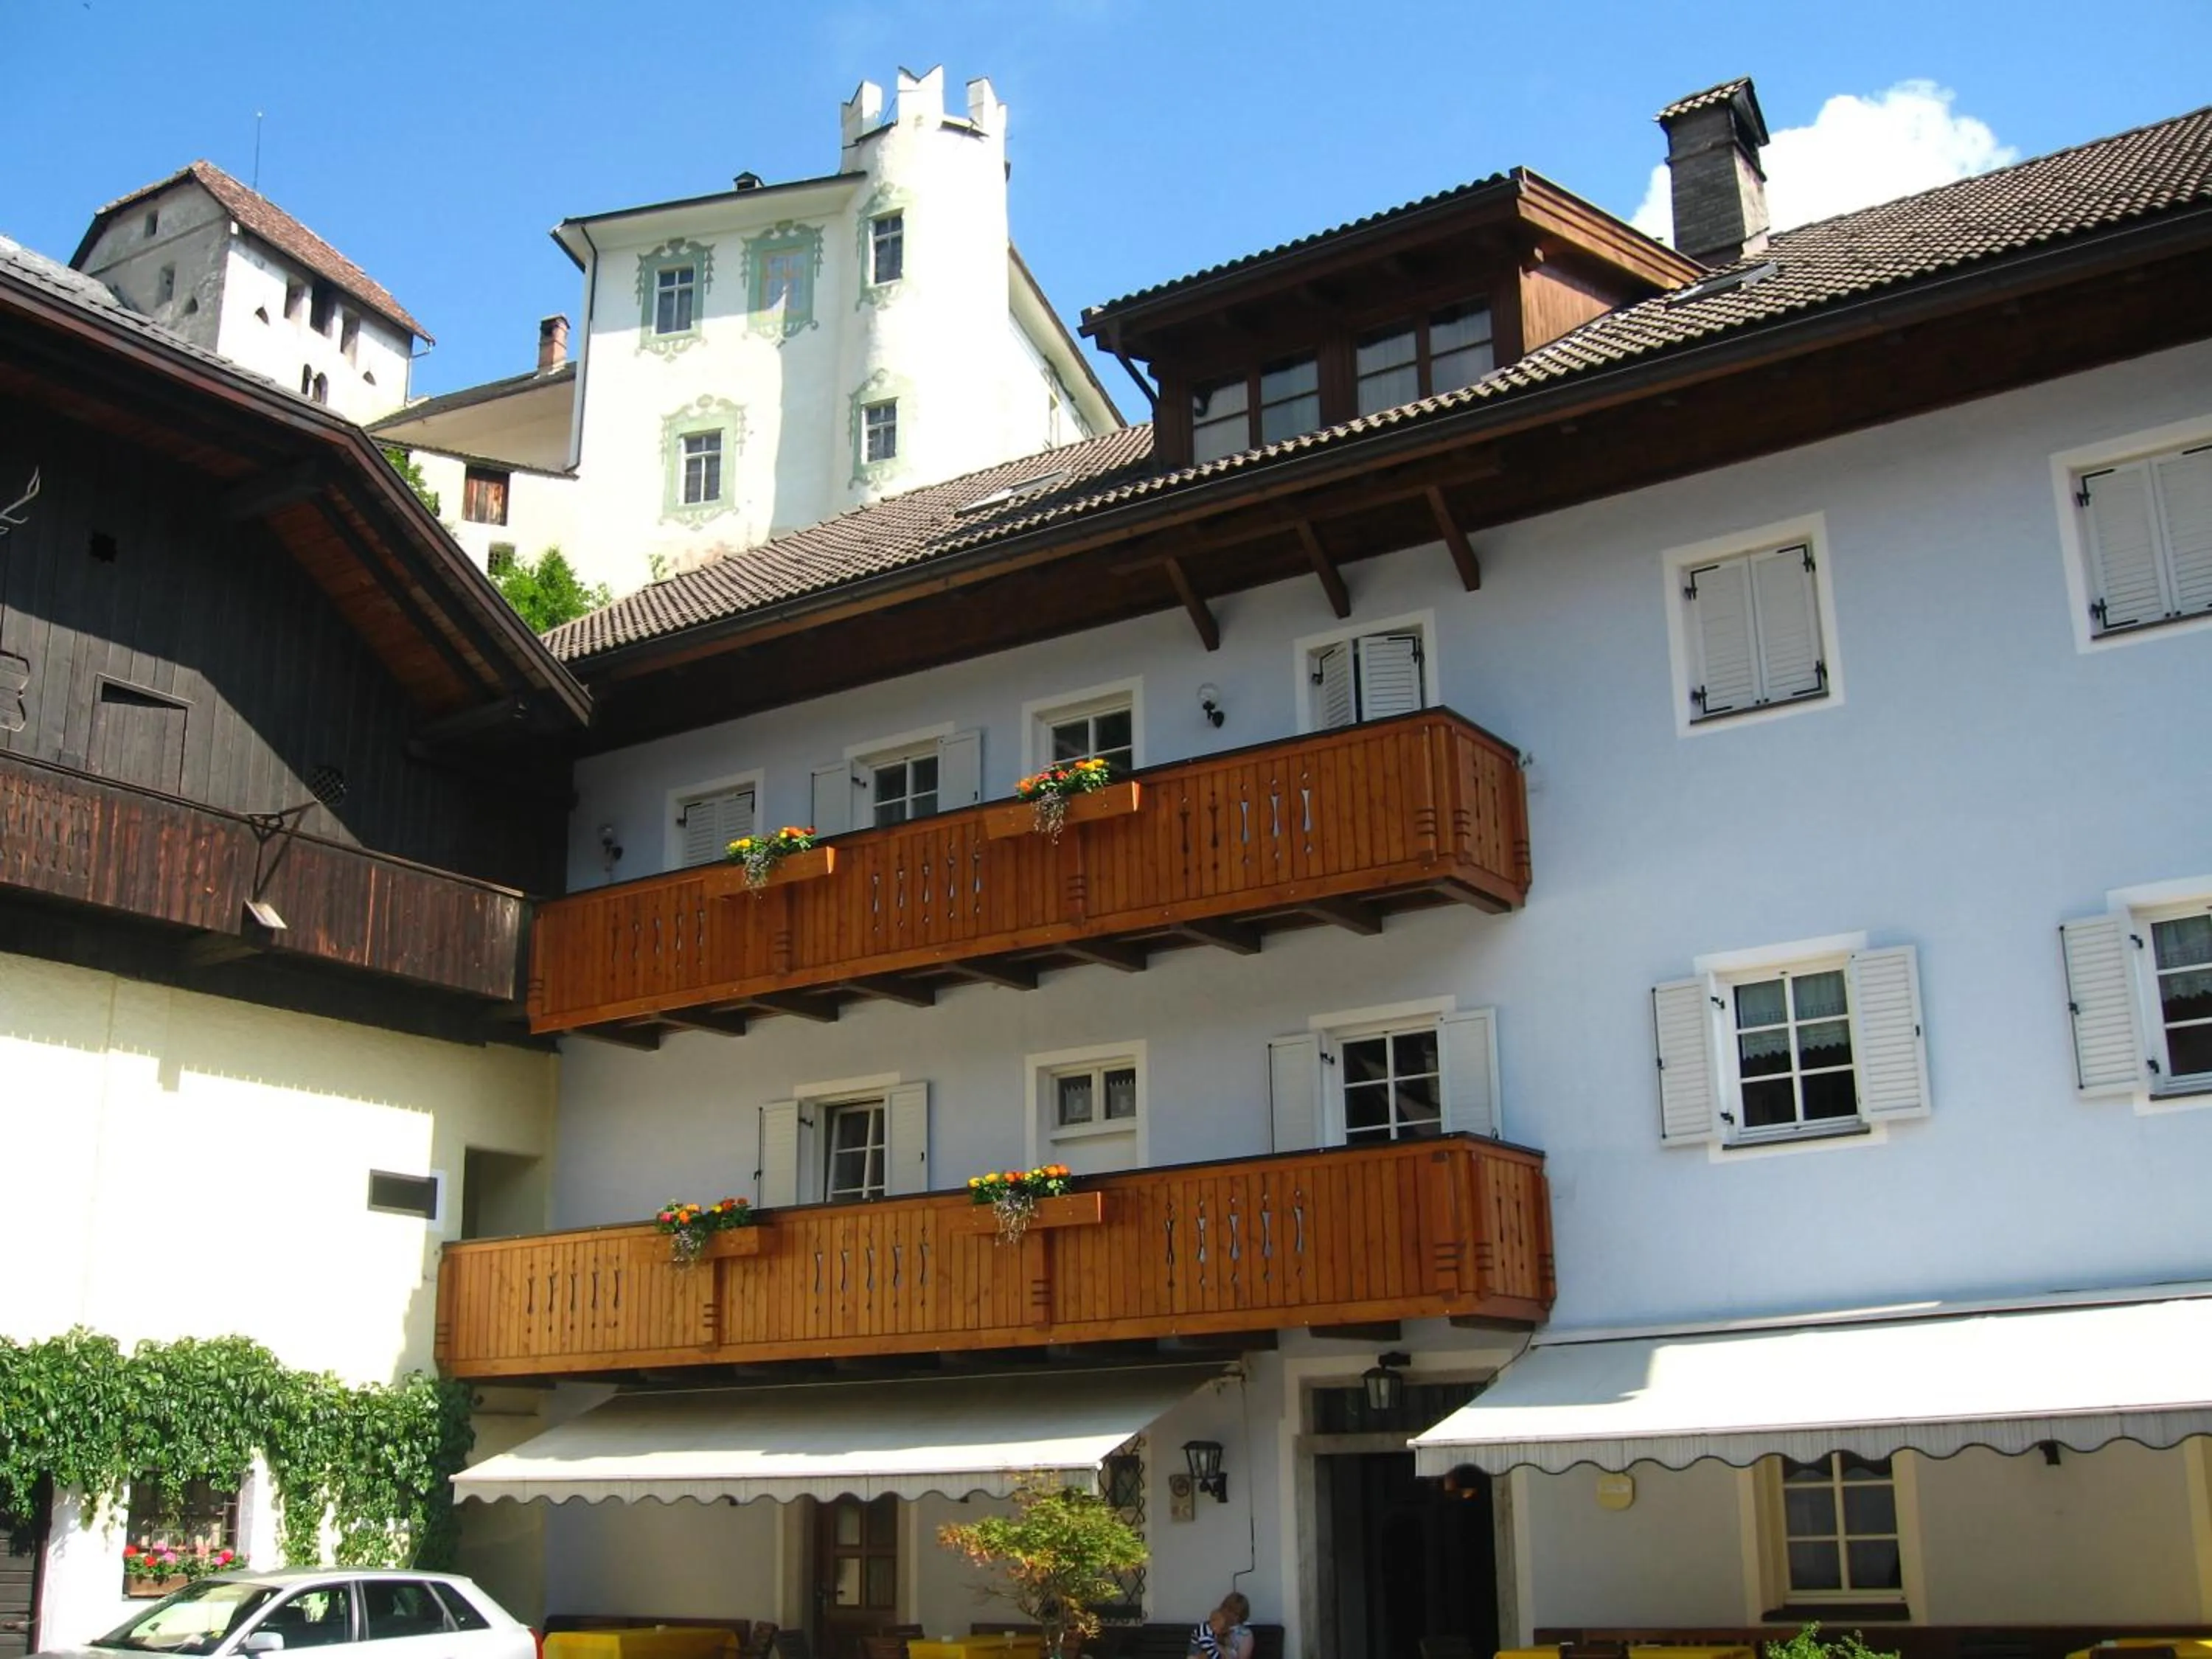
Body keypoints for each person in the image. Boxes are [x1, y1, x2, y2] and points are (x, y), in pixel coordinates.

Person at [1188, 1594, 1253, 1659]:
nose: (1231, 1615)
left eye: (1236, 1614)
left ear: (1242, 1616)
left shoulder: (1245, 1634)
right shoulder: (1209, 1627)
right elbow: (1194, 1653)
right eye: (1229, 1610)